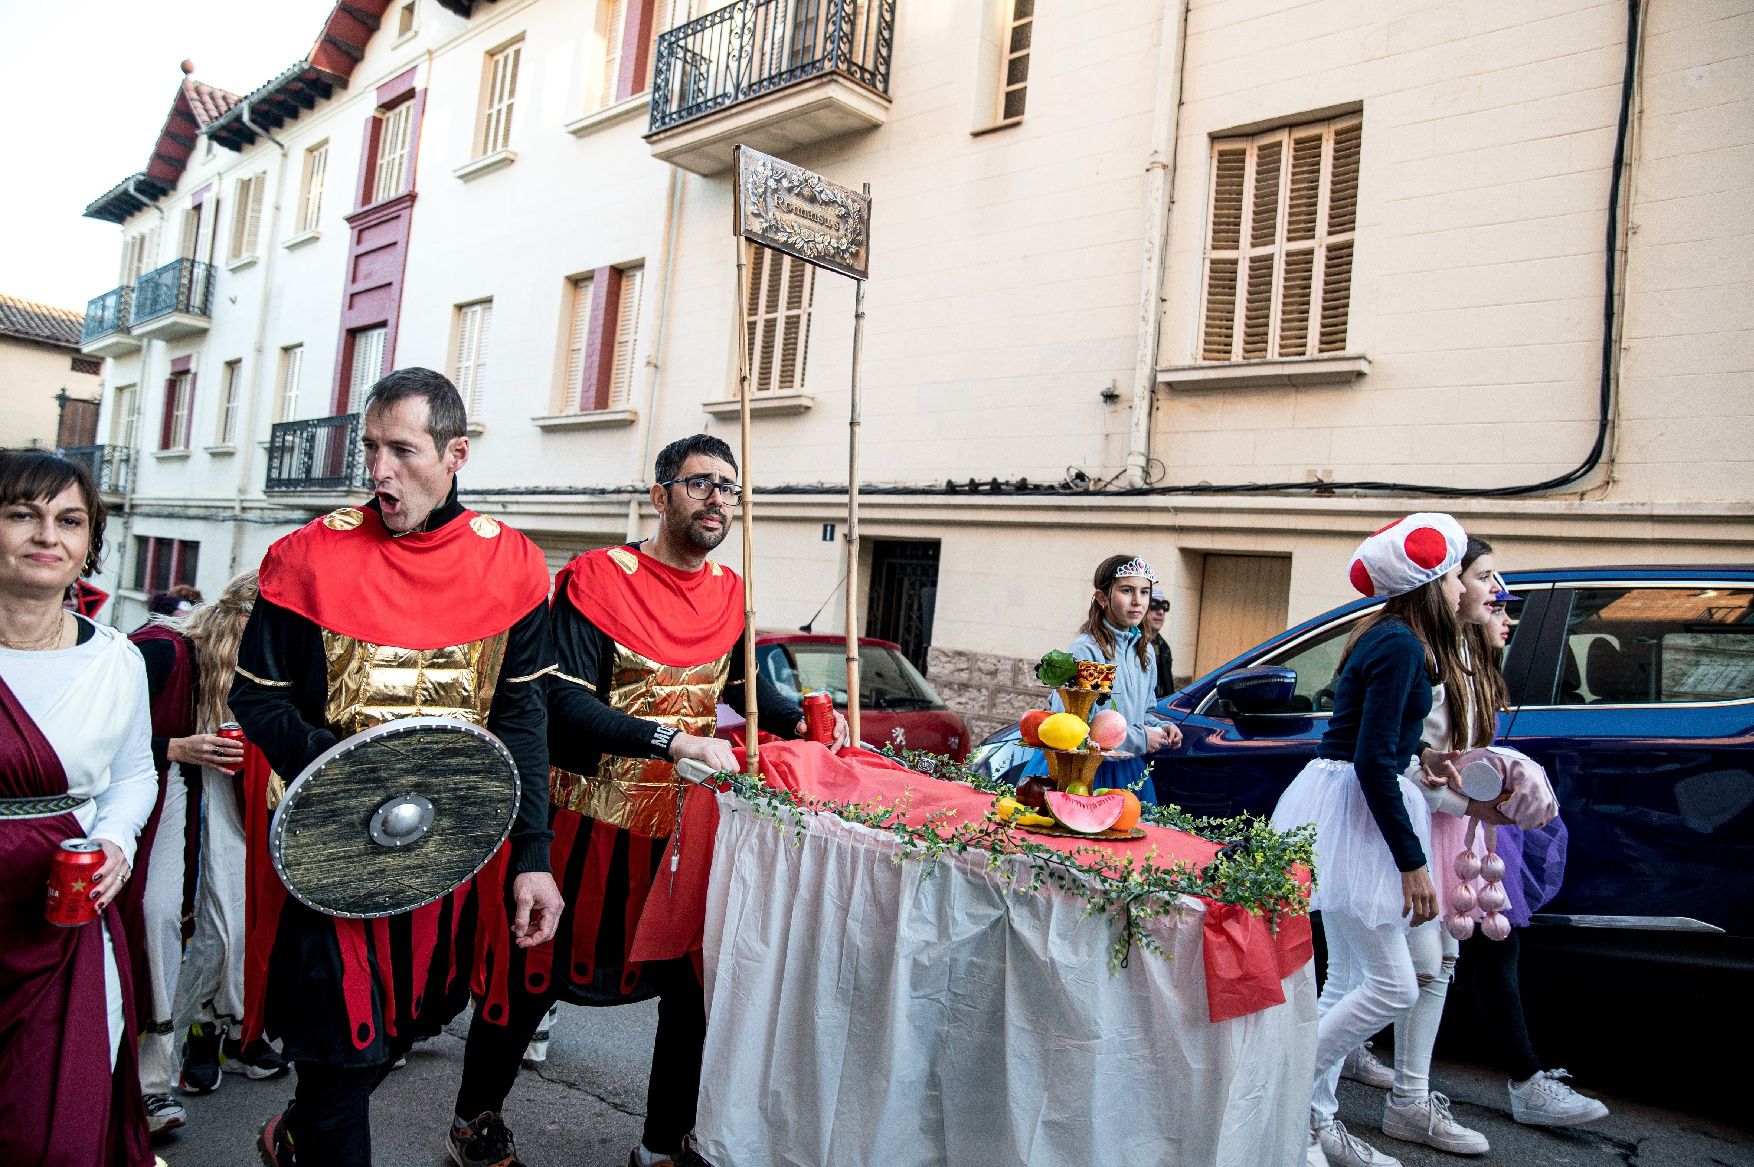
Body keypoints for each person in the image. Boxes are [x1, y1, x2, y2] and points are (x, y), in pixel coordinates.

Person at [453, 433, 840, 1167]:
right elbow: (560, 702)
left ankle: (660, 1143)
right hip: (586, 822)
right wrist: (670, 740)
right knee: (531, 976)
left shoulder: (730, 593)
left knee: (691, 994)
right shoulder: (599, 577)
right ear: (661, 494)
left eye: (729, 487)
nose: (717, 499)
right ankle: (475, 1122)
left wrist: (800, 714)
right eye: (700, 484)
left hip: (683, 832)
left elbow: (741, 690)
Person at [230, 369, 563, 1167]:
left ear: (455, 454)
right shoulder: (305, 555)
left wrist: (533, 853)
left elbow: (519, 716)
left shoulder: (513, 565)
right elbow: (259, 699)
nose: (378, 469)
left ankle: (298, 1133)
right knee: (340, 1045)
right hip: (329, 847)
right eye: (369, 447)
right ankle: (318, 1130)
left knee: (408, 1020)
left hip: (448, 854)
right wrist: (351, 769)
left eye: (401, 450)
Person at [1271, 513, 1470, 1167]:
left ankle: (1312, 1125)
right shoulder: (1400, 645)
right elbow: (1370, 759)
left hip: (1348, 802)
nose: (1467, 589)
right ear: (1433, 582)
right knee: (1395, 985)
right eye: (1458, 575)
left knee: (1348, 978)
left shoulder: (1390, 637)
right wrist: (1413, 863)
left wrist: (1426, 758)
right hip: (1355, 812)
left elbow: (1382, 741)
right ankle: (1285, 1105)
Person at [0, 449, 157, 1166]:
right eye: (21, 515)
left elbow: (133, 775)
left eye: (69, 520)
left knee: (50, 1132)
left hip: (63, 911)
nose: (47, 536)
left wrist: (119, 839)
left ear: (89, 541)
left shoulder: (117, 659)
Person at [1035, 555, 1182, 802]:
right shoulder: (1089, 651)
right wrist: (1142, 739)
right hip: (1086, 774)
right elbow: (1075, 730)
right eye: (1127, 590)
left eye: (1145, 592)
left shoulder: (1144, 652)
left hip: (1127, 771)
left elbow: (1141, 714)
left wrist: (1158, 727)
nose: (1138, 601)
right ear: (1102, 598)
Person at [1145, 587, 1175, 699]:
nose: (1161, 612)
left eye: (1164, 606)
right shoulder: (1131, 644)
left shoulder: (1164, 647)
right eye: (1154, 605)